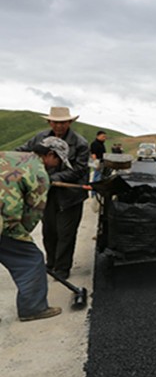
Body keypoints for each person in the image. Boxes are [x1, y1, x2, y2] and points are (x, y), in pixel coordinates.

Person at [15, 106, 90, 281]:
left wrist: (51, 178)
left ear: (69, 123)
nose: (59, 126)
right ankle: (51, 264)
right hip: (46, 195)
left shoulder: (80, 143)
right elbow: (22, 151)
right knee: (49, 231)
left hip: (70, 195)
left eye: (63, 123)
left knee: (66, 233)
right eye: (55, 122)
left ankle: (62, 268)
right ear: (49, 122)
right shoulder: (40, 138)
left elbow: (79, 170)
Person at [0, 137, 70, 321]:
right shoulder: (39, 174)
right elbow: (33, 214)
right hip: (4, 222)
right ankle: (33, 309)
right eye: (59, 160)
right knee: (31, 260)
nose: (58, 165)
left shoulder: (9, 155)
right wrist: (21, 236)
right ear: (50, 154)